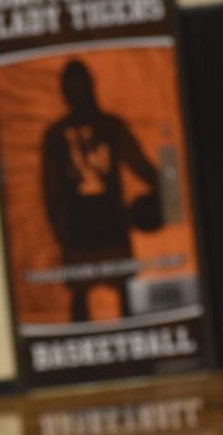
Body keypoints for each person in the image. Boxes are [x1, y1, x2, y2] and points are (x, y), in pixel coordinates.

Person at [41, 58, 160, 322]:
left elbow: (141, 167)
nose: (77, 93)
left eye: (80, 86)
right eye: (72, 87)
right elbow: (50, 190)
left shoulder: (110, 127)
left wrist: (164, 195)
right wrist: (59, 231)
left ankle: (135, 354)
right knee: (81, 299)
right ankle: (78, 360)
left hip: (111, 227)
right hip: (78, 232)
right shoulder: (56, 136)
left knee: (125, 297)